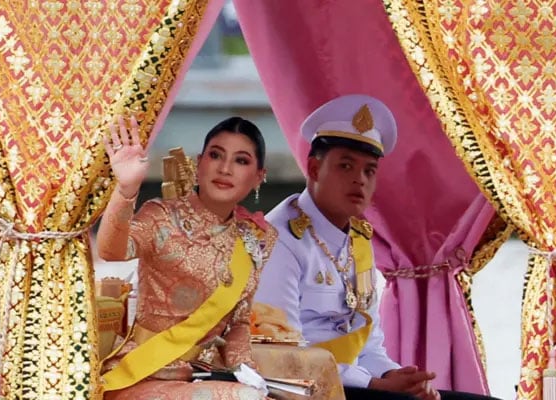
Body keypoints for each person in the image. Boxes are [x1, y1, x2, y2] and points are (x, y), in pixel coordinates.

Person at [254, 95, 500, 400]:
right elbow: (283, 352)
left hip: (357, 385)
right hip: (301, 390)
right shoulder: (279, 238)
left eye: (369, 171)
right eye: (345, 166)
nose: (359, 179)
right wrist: (374, 384)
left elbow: (369, 345)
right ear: (315, 169)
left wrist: (393, 375)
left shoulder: (358, 239)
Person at [97, 115, 276, 400]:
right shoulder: (162, 216)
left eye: (241, 160)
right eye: (216, 155)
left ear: (258, 177)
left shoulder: (256, 237)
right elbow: (111, 251)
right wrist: (126, 190)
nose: (225, 168)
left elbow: (239, 322)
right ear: (199, 163)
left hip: (202, 375)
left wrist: (245, 369)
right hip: (141, 374)